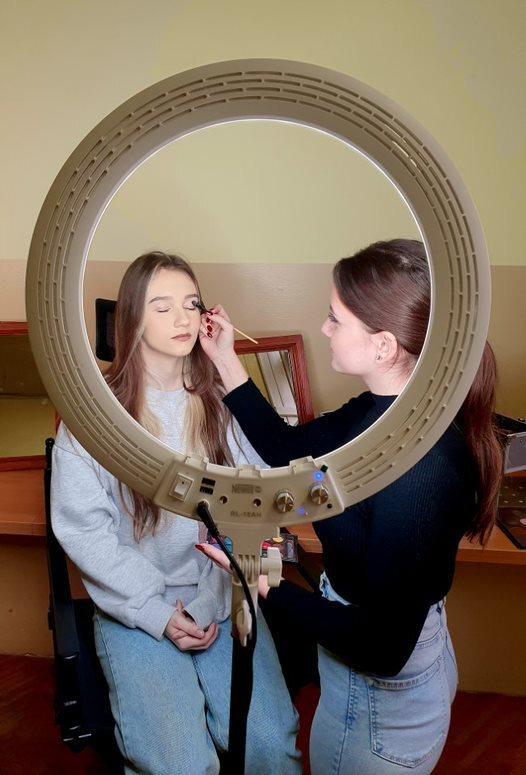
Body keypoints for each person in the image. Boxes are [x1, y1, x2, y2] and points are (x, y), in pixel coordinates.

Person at [198, 239, 503, 775]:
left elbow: (381, 648)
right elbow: (287, 451)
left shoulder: (420, 469)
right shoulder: (384, 410)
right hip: (372, 659)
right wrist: (225, 357)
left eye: (335, 319)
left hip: (380, 694)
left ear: (383, 345)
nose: (324, 329)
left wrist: (260, 580)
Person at [51, 251, 301, 775]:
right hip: (137, 607)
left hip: (220, 597)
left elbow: (264, 493)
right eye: (162, 307)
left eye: (192, 304)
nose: (183, 318)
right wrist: (158, 614)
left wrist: (211, 600)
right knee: (180, 764)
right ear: (131, 319)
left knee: (270, 745)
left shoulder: (224, 403)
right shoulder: (92, 418)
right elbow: (87, 534)